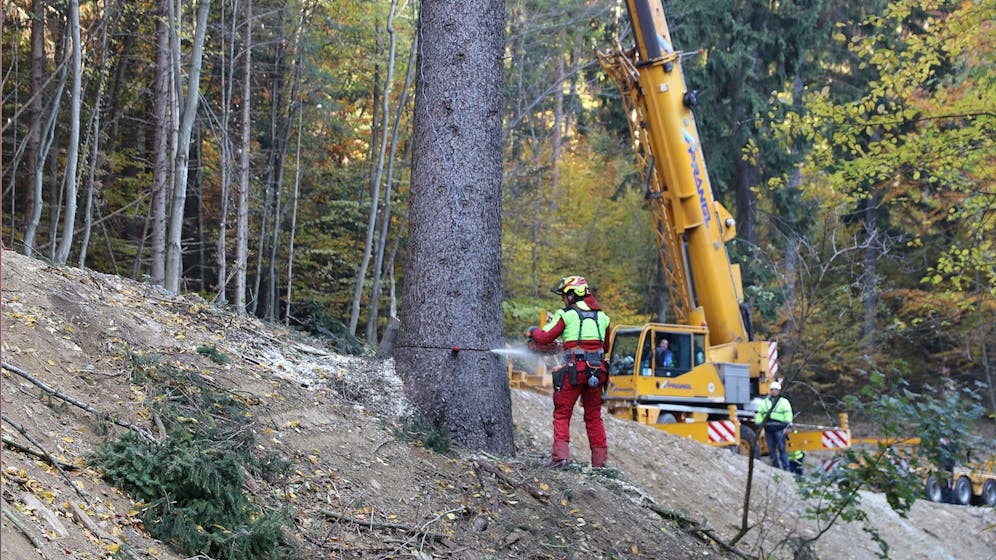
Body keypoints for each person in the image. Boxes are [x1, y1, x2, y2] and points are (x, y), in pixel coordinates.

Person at [527, 275, 611, 469]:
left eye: (565, 295)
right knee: (594, 416)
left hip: (574, 372)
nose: (562, 299)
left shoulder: (565, 314)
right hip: (597, 373)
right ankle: (600, 464)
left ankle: (560, 459)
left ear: (573, 295)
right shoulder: (603, 317)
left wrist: (533, 331)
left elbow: (545, 336)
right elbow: (604, 346)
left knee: (562, 414)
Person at [755, 380, 793, 471]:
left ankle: (786, 467)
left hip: (779, 428)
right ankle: (776, 468)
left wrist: (788, 426)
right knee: (771, 450)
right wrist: (758, 423)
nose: (773, 391)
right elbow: (760, 414)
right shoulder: (765, 402)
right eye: (772, 389)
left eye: (775, 390)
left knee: (781, 448)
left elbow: (788, 414)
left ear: (779, 391)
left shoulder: (784, 402)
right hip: (768, 428)